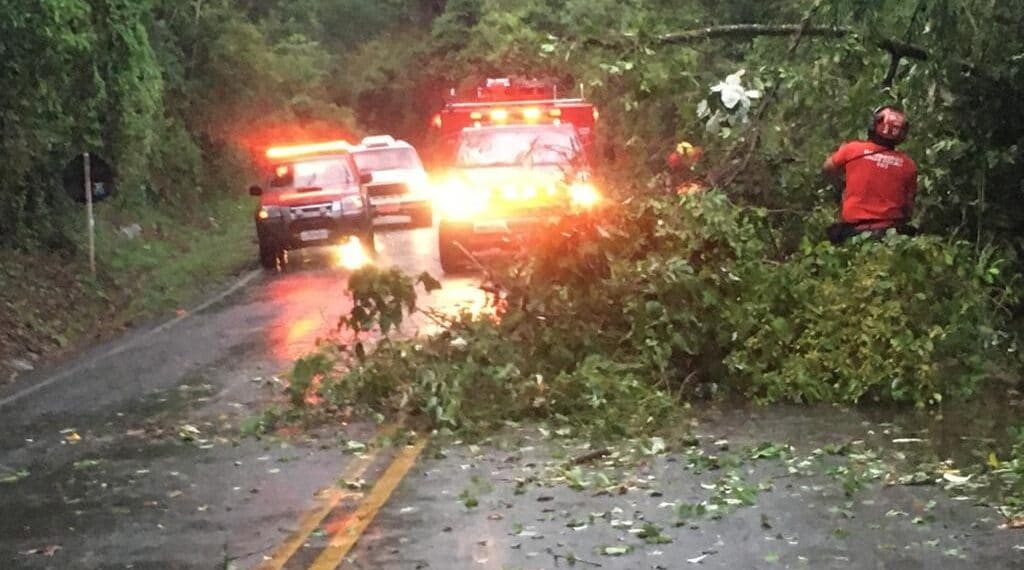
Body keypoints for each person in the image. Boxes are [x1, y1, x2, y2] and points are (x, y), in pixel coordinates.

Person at [822, 106, 918, 244]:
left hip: (854, 231)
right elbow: (908, 208)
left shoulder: (852, 150)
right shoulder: (908, 165)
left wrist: (842, 186)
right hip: (891, 235)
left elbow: (827, 168)